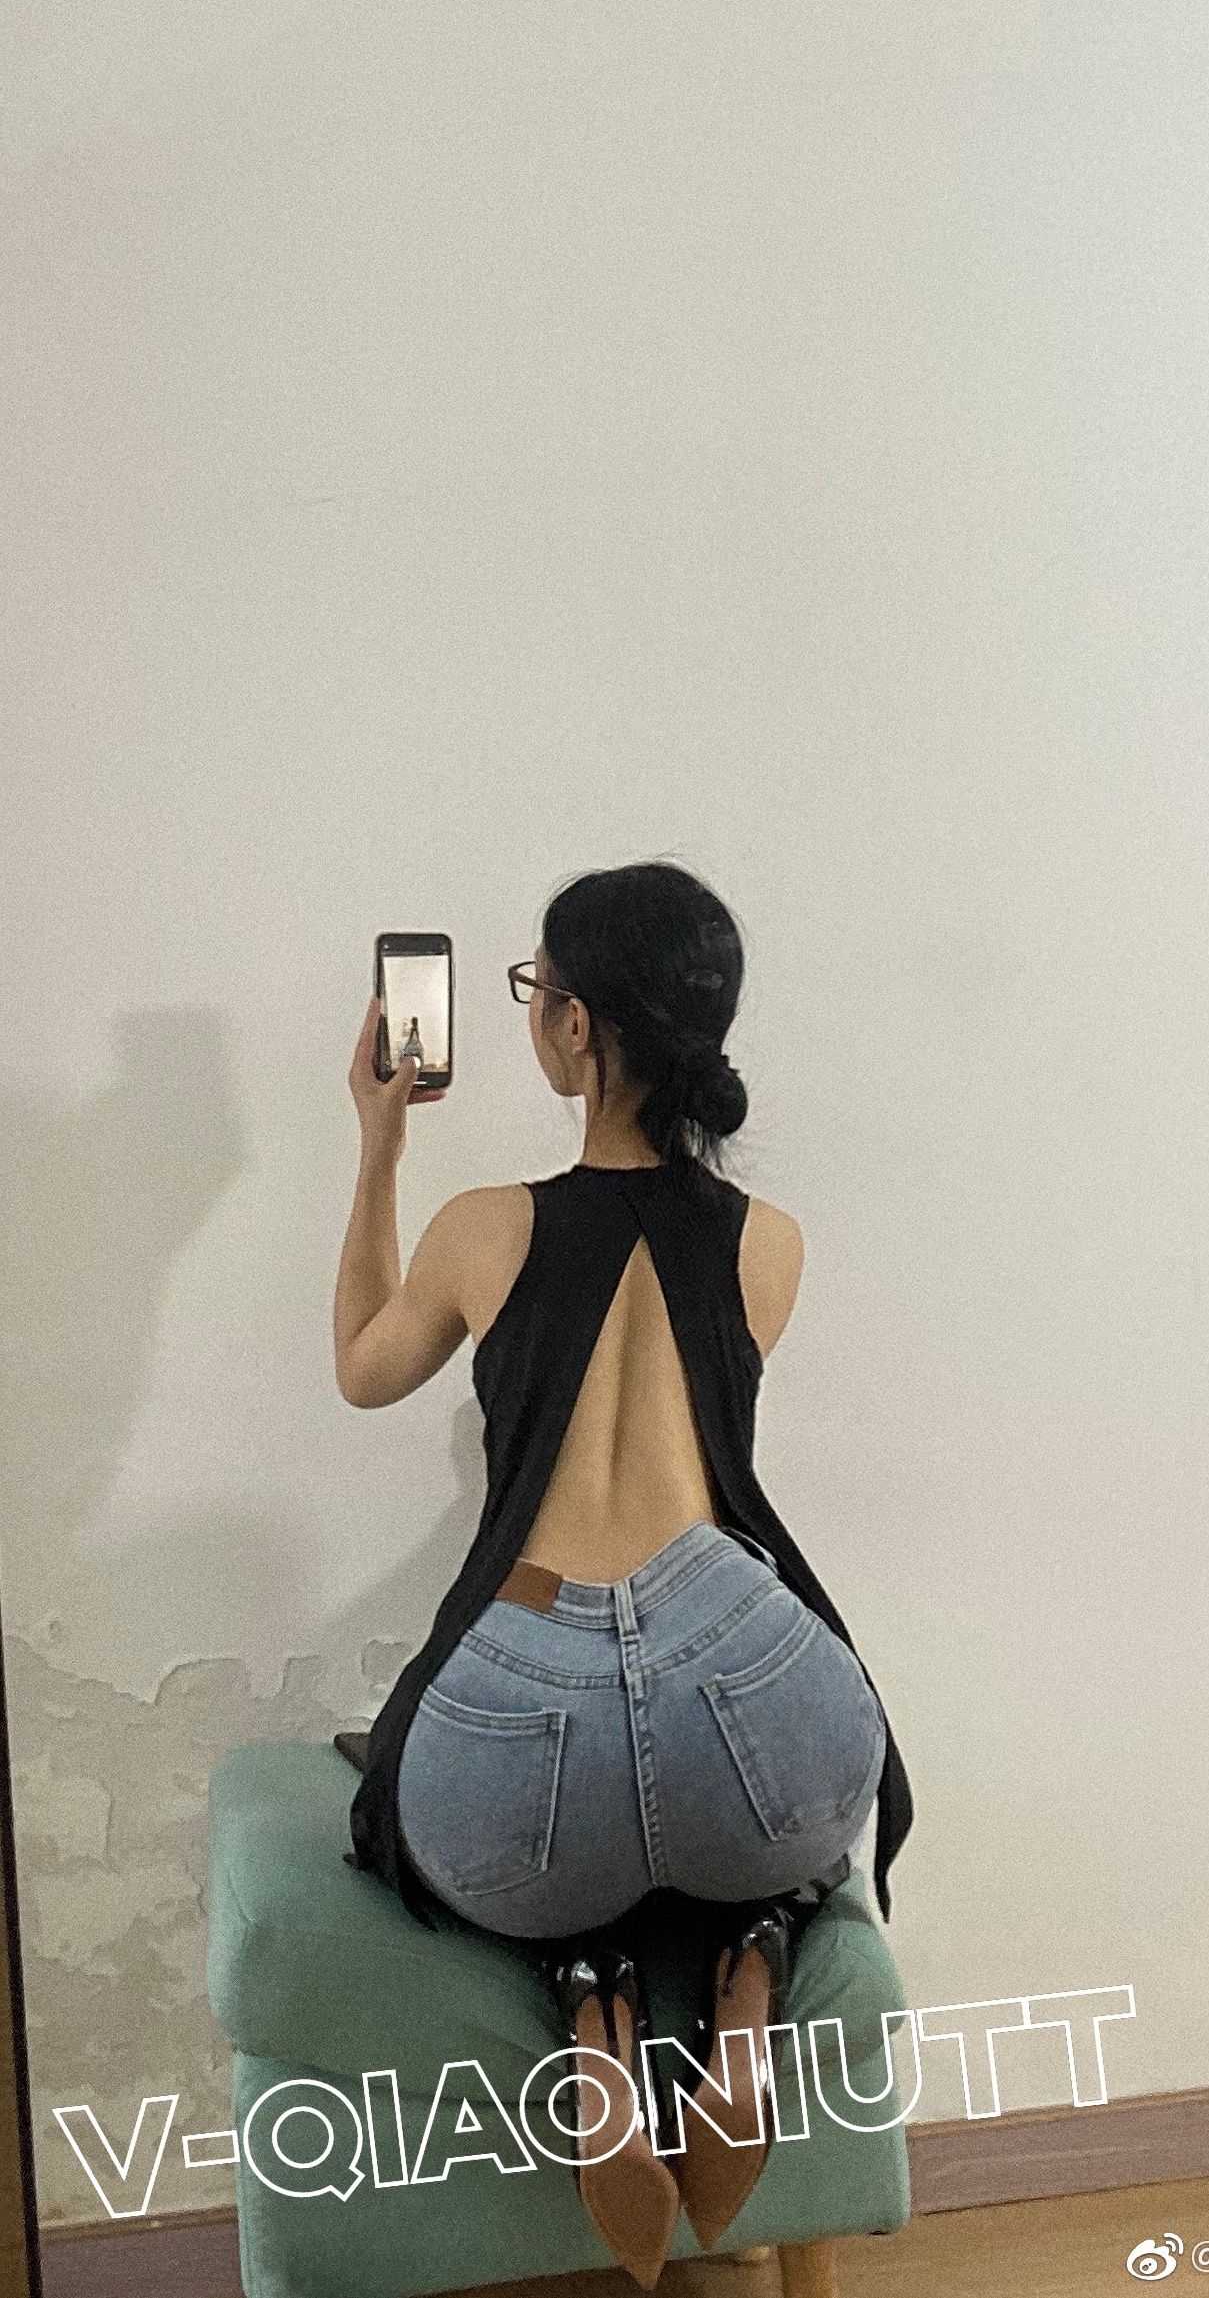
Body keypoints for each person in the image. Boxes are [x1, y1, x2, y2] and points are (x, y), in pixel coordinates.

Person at [335, 861, 912, 2286]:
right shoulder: (770, 1245)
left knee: (514, 1833)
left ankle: (590, 2006)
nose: (534, 1013)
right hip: (755, 1685)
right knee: (761, 1829)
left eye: (536, 991)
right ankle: (750, 1970)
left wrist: (378, 1145)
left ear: (579, 1026)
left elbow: (361, 1369)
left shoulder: (484, 1225)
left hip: (526, 1698)